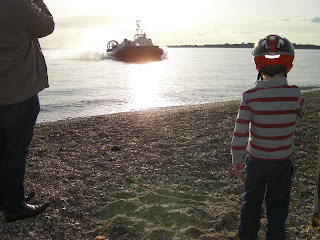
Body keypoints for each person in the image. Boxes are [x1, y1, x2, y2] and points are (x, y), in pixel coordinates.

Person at [231, 35, 305, 239]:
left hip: (256, 162)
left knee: (251, 203)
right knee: (277, 209)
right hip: (281, 163)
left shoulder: (250, 96)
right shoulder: (295, 94)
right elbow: (301, 113)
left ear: (258, 65)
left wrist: (237, 159)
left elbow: (240, 131)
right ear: (288, 65)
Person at [0, 0, 54, 222]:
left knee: (2, 148)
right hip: (18, 90)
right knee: (15, 150)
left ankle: (6, 198)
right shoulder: (17, 4)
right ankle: (14, 206)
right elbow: (47, 26)